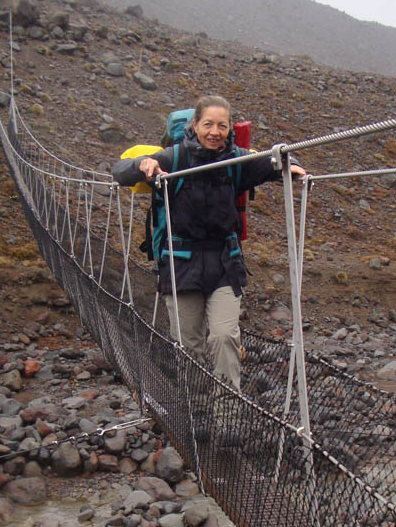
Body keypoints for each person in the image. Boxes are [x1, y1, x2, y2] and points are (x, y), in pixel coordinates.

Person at [112, 95, 305, 393]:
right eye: (208, 124)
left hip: (224, 263)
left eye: (222, 126)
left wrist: (288, 165)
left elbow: (273, 162)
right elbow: (119, 171)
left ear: (230, 128)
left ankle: (227, 408)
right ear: (195, 125)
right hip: (181, 264)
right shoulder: (173, 158)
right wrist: (143, 163)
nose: (215, 132)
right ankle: (195, 407)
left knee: (224, 336)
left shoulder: (237, 160)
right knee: (188, 345)